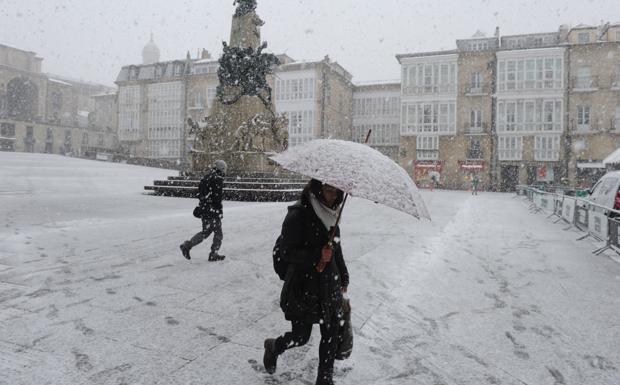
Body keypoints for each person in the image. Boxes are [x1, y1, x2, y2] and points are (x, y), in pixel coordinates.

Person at [263, 179, 349, 385]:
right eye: (329, 190)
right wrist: (316, 254)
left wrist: (344, 275)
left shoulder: (332, 215)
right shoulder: (298, 214)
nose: (334, 196)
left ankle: (325, 378)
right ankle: (274, 346)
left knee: (331, 331)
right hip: (304, 286)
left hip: (330, 284)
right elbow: (286, 252)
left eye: (337, 191)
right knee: (301, 336)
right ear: (318, 190)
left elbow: (336, 248)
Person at [180, 160, 227, 261]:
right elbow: (217, 198)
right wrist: (218, 211)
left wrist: (204, 205)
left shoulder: (207, 177)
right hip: (212, 211)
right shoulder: (217, 179)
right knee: (218, 233)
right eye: (224, 169)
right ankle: (213, 254)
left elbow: (200, 193)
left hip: (204, 209)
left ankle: (187, 245)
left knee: (206, 231)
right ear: (221, 169)